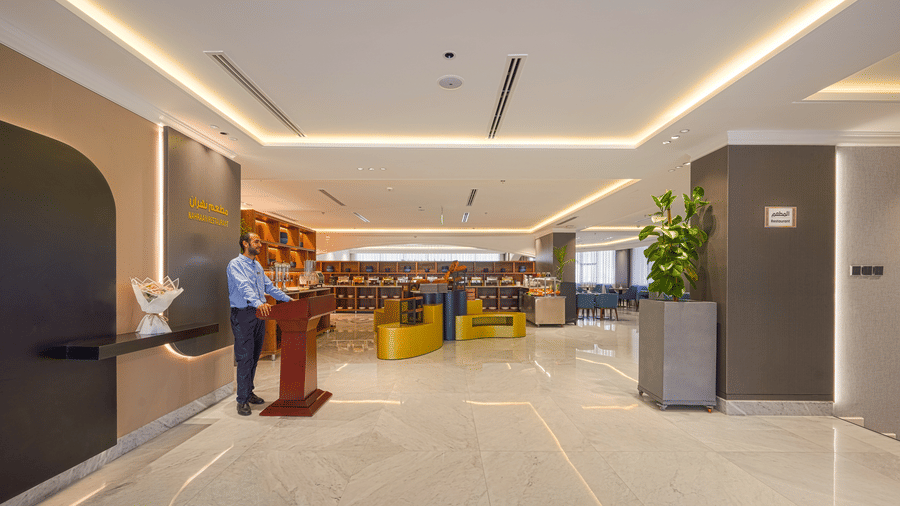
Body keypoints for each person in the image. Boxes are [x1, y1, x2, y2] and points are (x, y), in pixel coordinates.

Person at [227, 232, 292, 416]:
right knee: (245, 357)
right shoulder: (235, 265)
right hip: (243, 314)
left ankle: (249, 391)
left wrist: (288, 300)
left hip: (259, 314)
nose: (260, 244)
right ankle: (242, 400)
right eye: (256, 241)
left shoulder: (257, 265)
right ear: (245, 244)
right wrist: (258, 303)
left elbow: (268, 287)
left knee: (255, 355)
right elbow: (243, 287)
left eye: (260, 241)